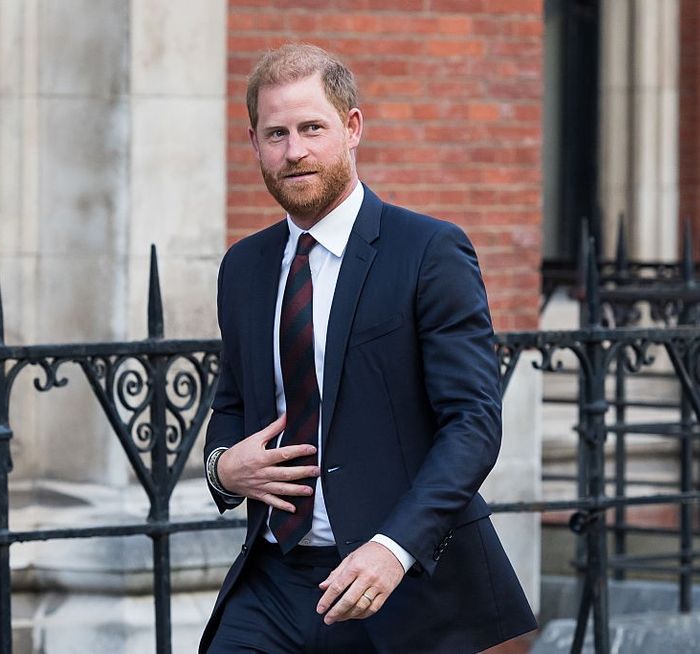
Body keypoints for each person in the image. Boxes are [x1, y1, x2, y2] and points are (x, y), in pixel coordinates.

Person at [200, 44, 536, 653]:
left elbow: (473, 424)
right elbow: (233, 402)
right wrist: (222, 469)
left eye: (312, 128)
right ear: (254, 143)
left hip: (400, 584)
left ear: (352, 128)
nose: (294, 151)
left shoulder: (428, 251)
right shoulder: (243, 267)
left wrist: (393, 548)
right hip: (273, 580)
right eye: (276, 134)